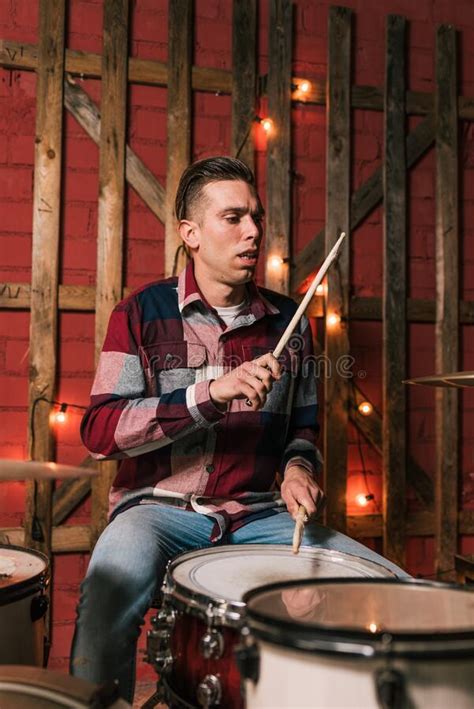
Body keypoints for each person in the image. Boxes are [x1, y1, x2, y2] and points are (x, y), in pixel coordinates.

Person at [70, 156, 406, 702]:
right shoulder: (139, 313)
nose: (252, 231)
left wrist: (299, 470)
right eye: (233, 218)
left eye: (256, 217)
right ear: (191, 234)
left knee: (393, 588)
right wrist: (208, 396)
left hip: (258, 514)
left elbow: (303, 430)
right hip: (157, 512)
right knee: (106, 596)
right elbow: (101, 430)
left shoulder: (289, 323)